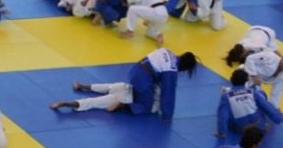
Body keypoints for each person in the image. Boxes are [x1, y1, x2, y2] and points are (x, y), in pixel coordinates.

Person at [49, 46, 197, 118]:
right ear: (184, 67)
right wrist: (167, 115)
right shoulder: (171, 71)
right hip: (140, 86)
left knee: (112, 87)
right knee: (144, 107)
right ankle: (123, 106)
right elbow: (168, 94)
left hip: (134, 73)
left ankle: (83, 86)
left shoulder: (167, 51)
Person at [215, 68, 283, 138]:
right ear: (246, 81)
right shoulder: (252, 92)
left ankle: (249, 128)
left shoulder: (226, 96)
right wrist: (281, 118)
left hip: (240, 127)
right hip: (256, 123)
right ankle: (263, 125)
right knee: (261, 101)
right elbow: (267, 107)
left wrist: (221, 132)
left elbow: (222, 115)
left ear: (231, 80)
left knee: (228, 113)